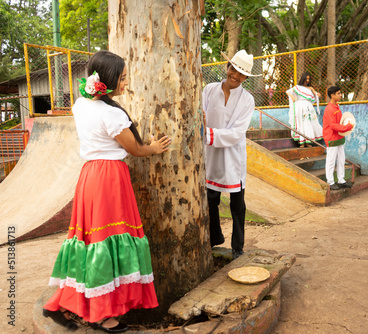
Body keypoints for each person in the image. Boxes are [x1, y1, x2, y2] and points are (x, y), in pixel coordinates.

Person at [42, 50, 171, 333]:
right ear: (109, 80)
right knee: (107, 242)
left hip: (89, 175)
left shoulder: (81, 104)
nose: (126, 83)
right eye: (122, 78)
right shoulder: (110, 114)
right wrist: (154, 148)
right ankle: (102, 315)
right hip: (110, 180)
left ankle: (61, 303)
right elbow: (134, 149)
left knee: (88, 242)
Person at [203, 50, 259, 259]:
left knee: (238, 204)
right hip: (210, 154)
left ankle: (238, 248)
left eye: (241, 74)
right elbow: (201, 115)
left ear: (246, 78)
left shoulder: (247, 100)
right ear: (227, 67)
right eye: (233, 69)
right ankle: (215, 237)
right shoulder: (209, 90)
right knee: (210, 200)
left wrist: (207, 133)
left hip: (234, 156)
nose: (235, 76)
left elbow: (237, 133)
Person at [323, 86, 354, 190]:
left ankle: (341, 180)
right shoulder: (329, 109)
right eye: (338, 93)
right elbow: (332, 125)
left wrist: (346, 125)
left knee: (341, 160)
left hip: (339, 137)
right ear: (332, 95)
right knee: (331, 161)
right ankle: (330, 182)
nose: (340, 95)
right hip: (331, 138)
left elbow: (339, 122)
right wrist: (346, 127)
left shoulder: (337, 106)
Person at [286, 72, 323, 147]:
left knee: (308, 124)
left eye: (309, 79)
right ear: (303, 79)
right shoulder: (297, 87)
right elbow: (288, 92)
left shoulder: (310, 88)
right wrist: (292, 97)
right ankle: (302, 142)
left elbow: (316, 95)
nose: (307, 80)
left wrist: (318, 95)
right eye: (306, 78)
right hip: (300, 107)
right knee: (301, 123)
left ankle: (307, 142)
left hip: (308, 107)